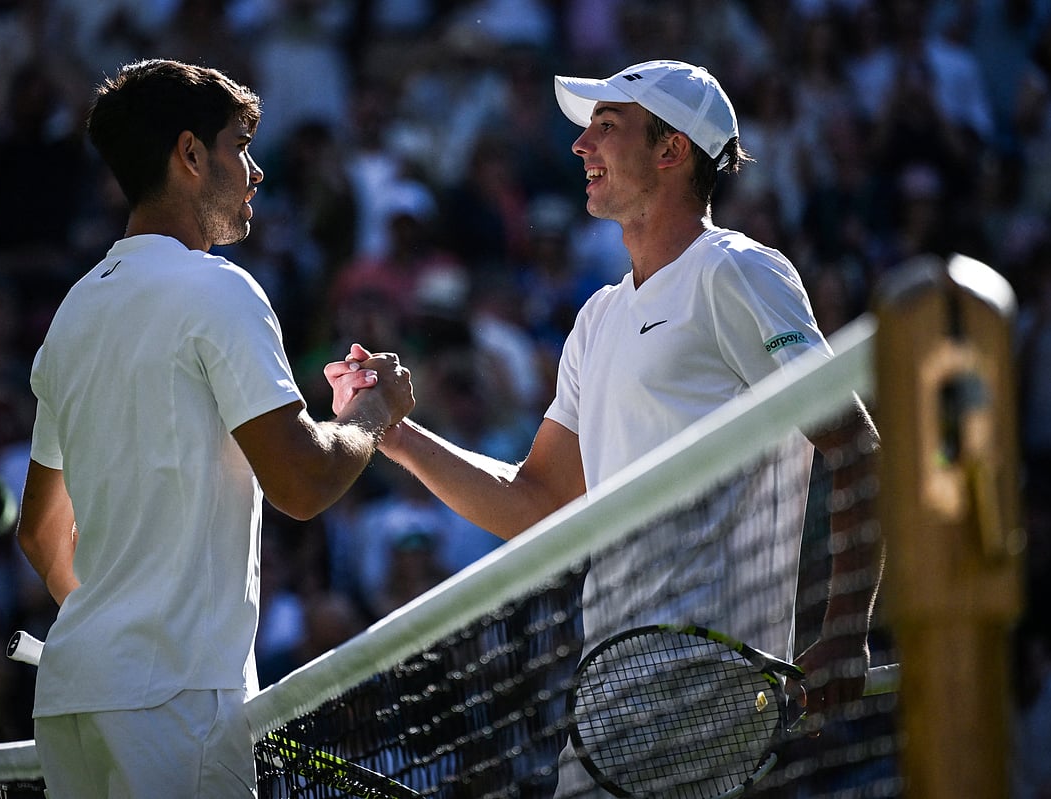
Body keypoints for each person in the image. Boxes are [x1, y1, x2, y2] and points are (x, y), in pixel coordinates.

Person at [372, 59, 883, 795]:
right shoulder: (598, 316)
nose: (581, 147)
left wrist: (844, 629)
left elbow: (855, 445)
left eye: (606, 130)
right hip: (612, 684)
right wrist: (398, 434)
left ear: (671, 150)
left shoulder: (733, 270)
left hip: (704, 682)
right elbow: (540, 499)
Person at [14, 59, 413, 798]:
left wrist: (112, 635)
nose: (255, 171)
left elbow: (40, 533)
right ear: (191, 155)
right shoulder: (221, 289)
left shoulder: (72, 311)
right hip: (174, 700)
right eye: (241, 146)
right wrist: (372, 413)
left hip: (72, 698)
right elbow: (302, 482)